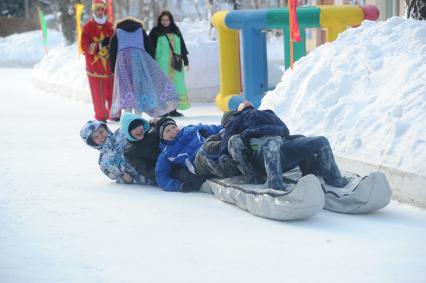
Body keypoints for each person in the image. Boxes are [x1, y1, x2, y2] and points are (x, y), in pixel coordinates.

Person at [220, 101, 349, 191]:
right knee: (270, 143)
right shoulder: (236, 120)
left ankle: (333, 180)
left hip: (281, 148)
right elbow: (226, 145)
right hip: (260, 156)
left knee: (321, 141)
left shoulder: (268, 114)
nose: (246, 102)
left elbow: (286, 132)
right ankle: (275, 185)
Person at [109, 17, 179, 119]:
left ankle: (127, 117)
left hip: (123, 63)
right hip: (139, 62)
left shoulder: (118, 32)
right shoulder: (140, 31)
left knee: (126, 89)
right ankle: (138, 117)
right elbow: (149, 47)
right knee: (139, 88)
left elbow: (112, 50)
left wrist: (112, 68)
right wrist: (151, 65)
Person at [121, 113, 204, 191]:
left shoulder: (153, 131)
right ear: (127, 132)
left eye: (139, 125)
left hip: (179, 156)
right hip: (165, 169)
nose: (139, 129)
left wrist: (160, 122)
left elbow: (173, 132)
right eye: (133, 128)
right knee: (191, 177)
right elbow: (147, 170)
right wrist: (168, 171)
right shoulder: (130, 152)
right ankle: (206, 184)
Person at [154, 118, 223, 192]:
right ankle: (223, 165)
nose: (173, 131)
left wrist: (225, 127)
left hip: (210, 148)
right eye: (168, 131)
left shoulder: (191, 129)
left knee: (218, 142)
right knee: (207, 153)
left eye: (174, 127)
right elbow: (161, 176)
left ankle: (229, 155)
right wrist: (178, 186)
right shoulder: (166, 153)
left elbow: (212, 129)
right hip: (198, 164)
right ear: (162, 137)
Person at [149, 10, 190, 117]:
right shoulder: (155, 31)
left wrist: (186, 61)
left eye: (167, 20)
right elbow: (150, 48)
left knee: (175, 86)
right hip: (161, 65)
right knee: (162, 86)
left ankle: (173, 110)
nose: (165, 22)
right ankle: (163, 110)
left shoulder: (175, 30)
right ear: (159, 20)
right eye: (163, 20)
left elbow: (182, 46)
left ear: (170, 20)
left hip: (175, 65)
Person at [80, 120, 148, 184]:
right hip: (147, 177)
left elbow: (141, 129)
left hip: (151, 157)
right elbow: (115, 177)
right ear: (92, 143)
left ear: (106, 129)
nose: (100, 136)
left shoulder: (122, 133)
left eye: (101, 132)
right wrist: (124, 179)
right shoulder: (103, 163)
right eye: (95, 137)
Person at [80, 0, 115, 122]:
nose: (100, 12)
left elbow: (116, 45)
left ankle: (114, 114)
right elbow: (84, 46)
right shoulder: (87, 27)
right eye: (97, 10)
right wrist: (100, 44)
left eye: (101, 9)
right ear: (93, 11)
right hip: (95, 69)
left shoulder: (110, 26)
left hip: (109, 68)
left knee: (112, 94)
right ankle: (101, 117)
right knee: (98, 95)